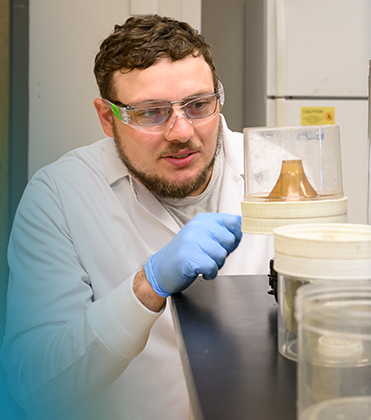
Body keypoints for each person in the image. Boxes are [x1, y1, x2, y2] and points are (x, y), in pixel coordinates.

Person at [2, 15, 271, 419]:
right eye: (151, 113)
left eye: (199, 105)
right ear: (108, 118)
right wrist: (147, 286)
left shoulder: (277, 169)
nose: (182, 132)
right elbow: (33, 386)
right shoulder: (59, 196)